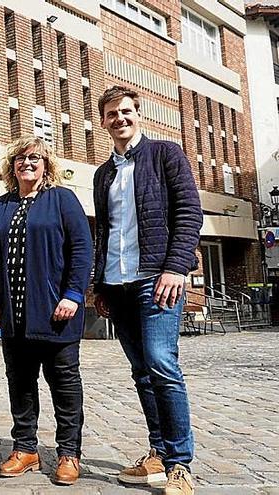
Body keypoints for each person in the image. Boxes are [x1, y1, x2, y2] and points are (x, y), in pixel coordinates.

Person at [94, 86, 203, 495]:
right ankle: (157, 453)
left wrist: (176, 267)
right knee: (142, 372)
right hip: (117, 285)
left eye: (126, 111)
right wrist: (99, 286)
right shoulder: (104, 173)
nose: (119, 119)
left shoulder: (165, 155)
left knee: (162, 364)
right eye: (111, 114)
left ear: (138, 114)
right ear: (103, 121)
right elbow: (104, 231)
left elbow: (190, 213)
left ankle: (180, 464)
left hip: (156, 280)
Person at [0, 135, 93, 485]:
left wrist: (73, 293)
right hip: (13, 316)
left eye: (35, 159)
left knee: (64, 383)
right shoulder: (0, 206)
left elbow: (82, 248)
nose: (27, 163)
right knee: (21, 383)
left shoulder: (62, 199)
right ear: (11, 166)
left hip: (56, 313)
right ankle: (25, 448)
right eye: (21, 159)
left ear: (46, 166)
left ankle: (68, 454)